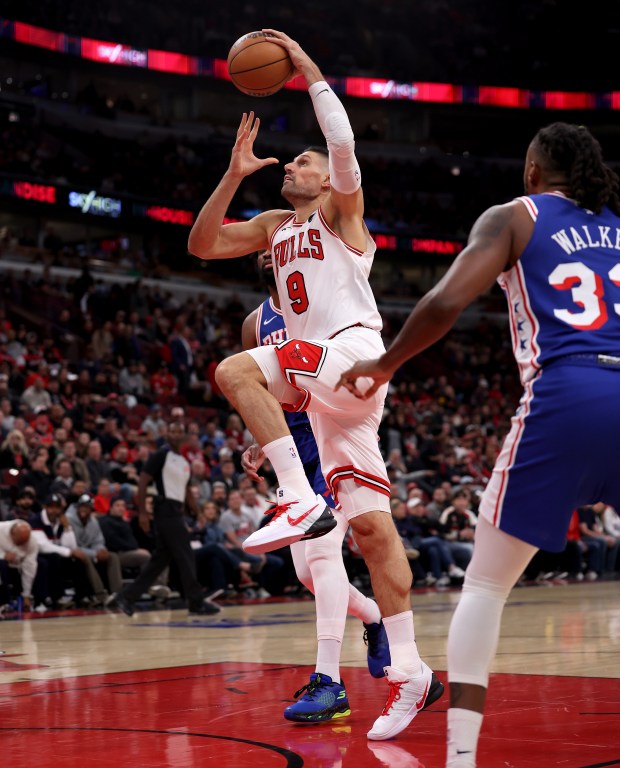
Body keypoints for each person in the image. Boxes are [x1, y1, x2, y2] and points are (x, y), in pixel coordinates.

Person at [337, 122, 620, 765]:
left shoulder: (515, 216)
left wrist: (384, 364)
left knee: (487, 588)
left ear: (531, 172)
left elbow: (444, 301)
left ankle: (461, 759)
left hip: (568, 391)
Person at [187, 28, 443, 739]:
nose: (294, 165)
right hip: (329, 392)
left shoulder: (340, 213)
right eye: (294, 161)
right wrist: (235, 174)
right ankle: (415, 671)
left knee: (236, 368)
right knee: (371, 530)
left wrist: (306, 70)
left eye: (303, 161)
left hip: (353, 356)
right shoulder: (274, 226)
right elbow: (202, 245)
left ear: (327, 181)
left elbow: (345, 149)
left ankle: (297, 497)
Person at [241, 249, 392, 721]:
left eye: (276, 248)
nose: (270, 255)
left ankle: (330, 682)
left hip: (327, 435)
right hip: (290, 447)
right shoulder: (254, 322)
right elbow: (258, 387)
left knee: (325, 556)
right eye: (262, 250)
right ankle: (375, 618)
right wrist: (258, 441)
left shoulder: (325, 306)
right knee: (308, 574)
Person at [107, 421, 220, 617]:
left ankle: (126, 597)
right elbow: (143, 480)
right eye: (172, 431)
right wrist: (142, 512)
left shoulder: (184, 462)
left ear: (184, 436)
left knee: (159, 561)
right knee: (186, 555)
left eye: (179, 431)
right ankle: (196, 601)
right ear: (167, 434)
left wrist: (198, 512)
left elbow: (186, 491)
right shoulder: (161, 455)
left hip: (176, 511)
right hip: (164, 510)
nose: (176, 434)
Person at [0, 519, 37, 610]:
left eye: (24, 542)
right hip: (3, 564)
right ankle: (4, 601)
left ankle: (39, 601)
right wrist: (3, 555)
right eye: (20, 542)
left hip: (17, 566)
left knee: (41, 564)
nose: (22, 545)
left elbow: (30, 567)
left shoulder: (32, 542)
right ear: (12, 533)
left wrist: (26, 595)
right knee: (2, 564)